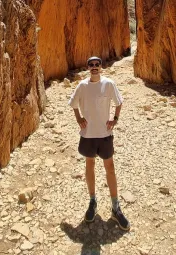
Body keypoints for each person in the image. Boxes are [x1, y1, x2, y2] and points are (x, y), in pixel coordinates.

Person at [68, 56, 130, 231]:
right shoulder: (82, 86)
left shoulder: (109, 84)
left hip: (104, 134)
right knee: (90, 165)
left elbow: (119, 102)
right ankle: (92, 201)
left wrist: (115, 119)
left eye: (97, 64)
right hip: (88, 134)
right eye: (91, 65)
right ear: (87, 67)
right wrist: (78, 118)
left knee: (110, 167)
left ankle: (115, 207)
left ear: (101, 67)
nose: (94, 67)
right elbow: (73, 103)